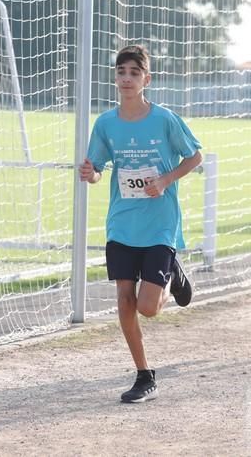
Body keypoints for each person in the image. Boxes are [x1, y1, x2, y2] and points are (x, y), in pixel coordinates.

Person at [79, 45, 202, 402]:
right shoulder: (106, 123)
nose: (127, 78)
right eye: (121, 72)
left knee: (148, 307)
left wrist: (164, 180)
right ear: (115, 78)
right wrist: (91, 173)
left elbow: (194, 156)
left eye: (135, 72)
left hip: (160, 223)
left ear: (146, 79)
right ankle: (144, 374)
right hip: (122, 224)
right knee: (123, 298)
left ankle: (173, 273)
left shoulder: (164, 119)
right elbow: (98, 169)